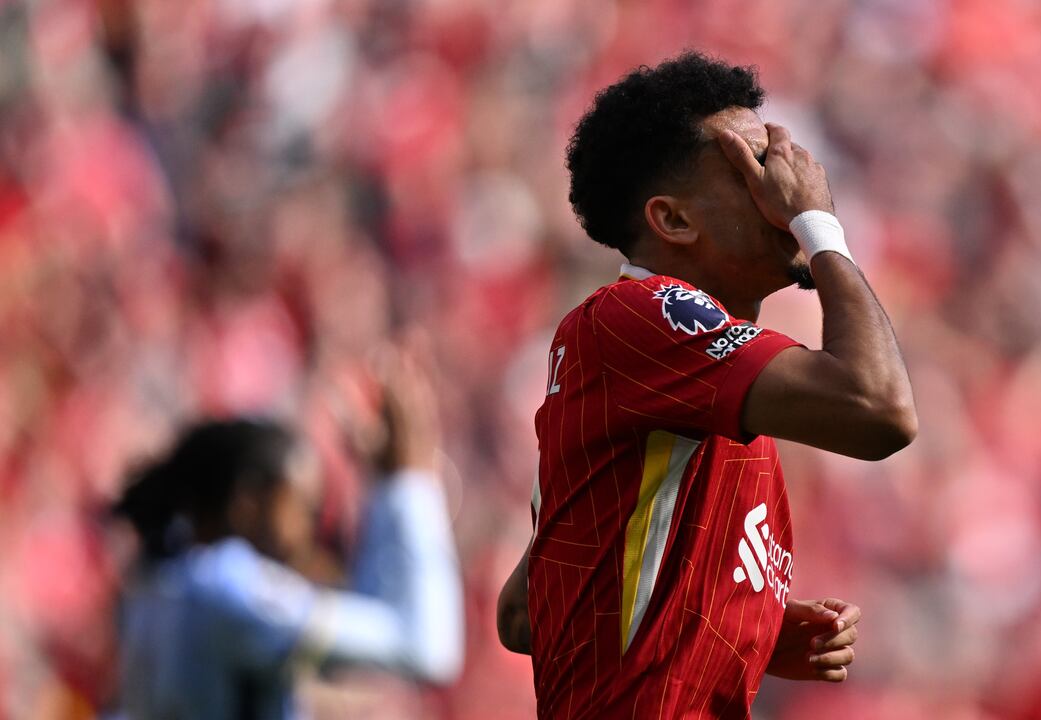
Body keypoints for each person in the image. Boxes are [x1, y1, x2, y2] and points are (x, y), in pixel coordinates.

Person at [496, 52, 917, 717]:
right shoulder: (640, 317)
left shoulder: (696, 377)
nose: (785, 177)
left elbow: (524, 613)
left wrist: (746, 630)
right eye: (751, 165)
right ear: (675, 221)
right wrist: (820, 226)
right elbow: (880, 408)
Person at [113, 355, 464, 719]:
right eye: (305, 510)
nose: (312, 533)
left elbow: (375, 621)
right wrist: (409, 485)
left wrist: (381, 490)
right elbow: (424, 648)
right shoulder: (226, 588)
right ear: (249, 503)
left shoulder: (159, 583)